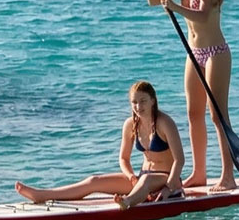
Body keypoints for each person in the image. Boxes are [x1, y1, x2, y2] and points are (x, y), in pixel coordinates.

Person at [142, 0, 234, 192]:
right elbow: (154, 0)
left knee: (217, 116)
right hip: (194, 53)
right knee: (194, 115)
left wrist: (173, 7)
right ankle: (199, 173)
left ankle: (228, 176)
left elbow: (202, 16)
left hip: (216, 53)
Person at [15, 81, 185, 209]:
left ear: (153, 101)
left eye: (143, 101)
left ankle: (127, 202)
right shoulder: (130, 124)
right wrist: (131, 176)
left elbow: (179, 160)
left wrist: (169, 188)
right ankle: (42, 195)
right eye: (134, 102)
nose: (138, 107)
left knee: (146, 180)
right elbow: (123, 159)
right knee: (94, 180)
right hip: (141, 178)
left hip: (167, 179)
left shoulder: (164, 122)